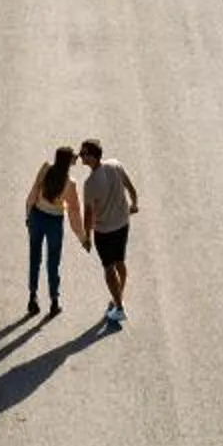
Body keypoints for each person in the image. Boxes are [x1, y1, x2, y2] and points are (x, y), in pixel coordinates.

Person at [77, 139, 141, 327]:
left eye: (84, 154)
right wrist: (134, 203)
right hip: (123, 224)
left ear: (93, 156)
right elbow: (130, 186)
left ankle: (119, 307)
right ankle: (117, 297)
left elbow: (88, 214)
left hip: (104, 230)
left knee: (108, 267)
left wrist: (87, 237)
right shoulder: (115, 165)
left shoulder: (90, 183)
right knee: (120, 261)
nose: (81, 156)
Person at [23, 145, 83, 317]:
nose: (76, 159)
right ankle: (54, 301)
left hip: (37, 216)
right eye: (74, 157)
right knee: (53, 262)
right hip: (54, 222)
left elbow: (34, 191)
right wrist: (82, 237)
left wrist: (28, 215)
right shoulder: (70, 184)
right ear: (68, 161)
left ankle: (32, 297)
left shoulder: (46, 168)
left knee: (35, 258)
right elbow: (74, 213)